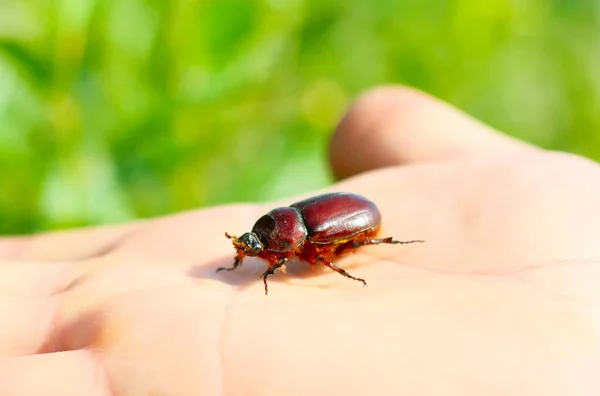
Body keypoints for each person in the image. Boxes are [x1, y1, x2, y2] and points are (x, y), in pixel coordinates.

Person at [1, 86, 599, 395]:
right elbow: (265, 242)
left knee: (345, 251)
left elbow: (327, 234)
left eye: (263, 246)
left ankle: (378, 253)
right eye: (258, 247)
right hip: (323, 218)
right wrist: (248, 254)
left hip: (356, 220)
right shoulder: (280, 230)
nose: (259, 249)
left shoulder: (304, 239)